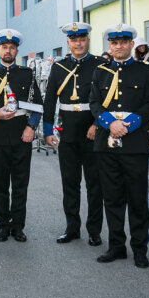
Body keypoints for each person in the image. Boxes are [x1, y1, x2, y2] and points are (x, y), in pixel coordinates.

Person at [89, 24, 149, 268]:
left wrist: (128, 125)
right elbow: (94, 103)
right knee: (112, 198)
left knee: (137, 199)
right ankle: (116, 246)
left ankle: (140, 248)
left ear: (131, 44)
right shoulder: (100, 71)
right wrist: (111, 124)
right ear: (110, 45)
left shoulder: (146, 70)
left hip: (134, 142)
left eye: (123, 42)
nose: (119, 46)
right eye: (114, 43)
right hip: (106, 144)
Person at [43, 22, 105, 247]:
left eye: (82, 39)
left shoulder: (100, 65)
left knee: (95, 185)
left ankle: (94, 230)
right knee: (70, 184)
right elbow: (50, 99)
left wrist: (98, 124)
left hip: (92, 132)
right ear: (68, 43)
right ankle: (72, 228)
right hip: (68, 132)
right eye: (74, 40)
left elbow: (107, 99)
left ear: (88, 41)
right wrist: (47, 130)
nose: (78, 43)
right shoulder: (59, 67)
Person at [0, 29, 42, 243]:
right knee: (0, 184)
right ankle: (3, 225)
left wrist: (31, 127)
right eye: (4, 47)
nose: (8, 51)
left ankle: (18, 226)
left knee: (20, 184)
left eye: (12, 48)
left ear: (16, 51)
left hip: (21, 135)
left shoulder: (27, 74)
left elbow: (37, 105)